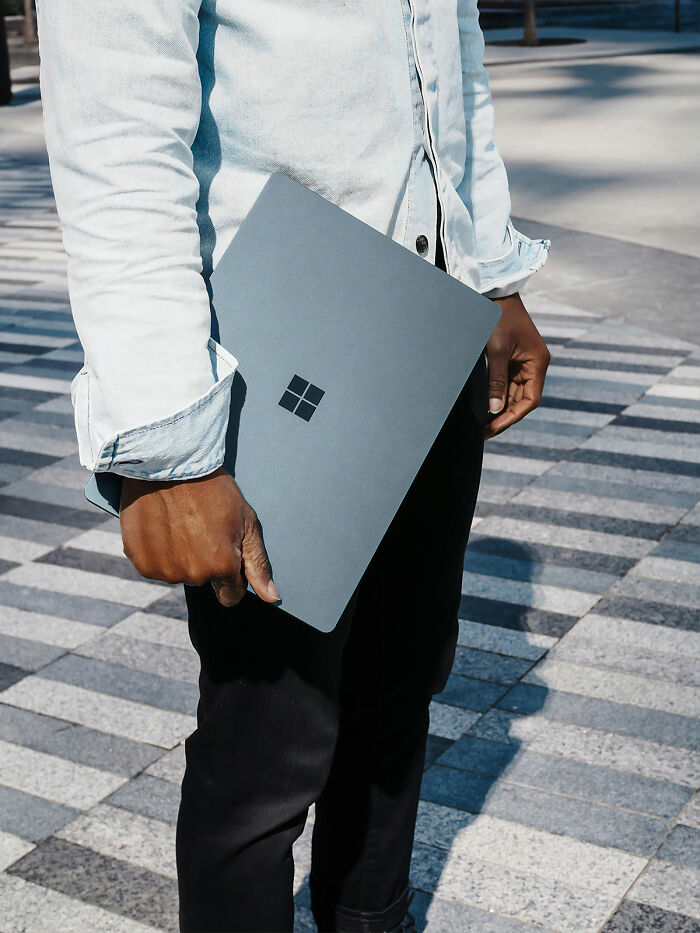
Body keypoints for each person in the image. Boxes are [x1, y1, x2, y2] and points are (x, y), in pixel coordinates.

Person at [36, 1, 551, 930]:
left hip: (427, 323)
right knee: (268, 754)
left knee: (397, 702)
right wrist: (166, 449)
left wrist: (492, 273)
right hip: (279, 341)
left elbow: (450, 60)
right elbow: (116, 139)